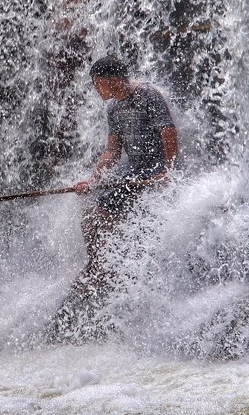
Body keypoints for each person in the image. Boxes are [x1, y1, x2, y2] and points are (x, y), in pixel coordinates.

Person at [49, 55, 178, 339]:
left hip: (152, 169)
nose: (96, 89)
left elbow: (168, 131)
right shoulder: (114, 108)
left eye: (98, 84)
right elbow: (112, 151)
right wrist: (92, 180)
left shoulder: (148, 96)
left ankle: (108, 268)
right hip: (132, 170)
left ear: (112, 80)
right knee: (91, 215)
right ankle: (98, 264)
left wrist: (168, 171)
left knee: (106, 213)